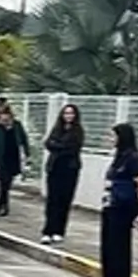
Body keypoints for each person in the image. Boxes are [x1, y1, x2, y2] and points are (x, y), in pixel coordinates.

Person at [97, 123, 138, 277]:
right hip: (109, 205)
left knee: (119, 250)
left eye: (113, 136)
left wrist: (122, 190)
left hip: (122, 208)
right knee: (107, 248)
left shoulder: (133, 158)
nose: (110, 139)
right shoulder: (116, 157)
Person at [41, 104, 84, 244]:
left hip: (69, 170)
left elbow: (72, 148)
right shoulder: (57, 129)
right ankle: (48, 231)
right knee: (52, 200)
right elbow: (48, 143)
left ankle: (59, 231)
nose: (68, 116)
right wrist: (58, 146)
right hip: (54, 168)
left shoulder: (78, 131)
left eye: (71, 113)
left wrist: (57, 146)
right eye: (66, 113)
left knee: (64, 201)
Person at [0, 107, 30, 218]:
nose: (4, 118)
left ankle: (1, 202)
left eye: (6, 116)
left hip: (13, 158)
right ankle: (3, 205)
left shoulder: (17, 126)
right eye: (2, 116)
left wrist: (27, 153)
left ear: (10, 116)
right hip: (1, 159)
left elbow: (24, 139)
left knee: (8, 183)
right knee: (3, 182)